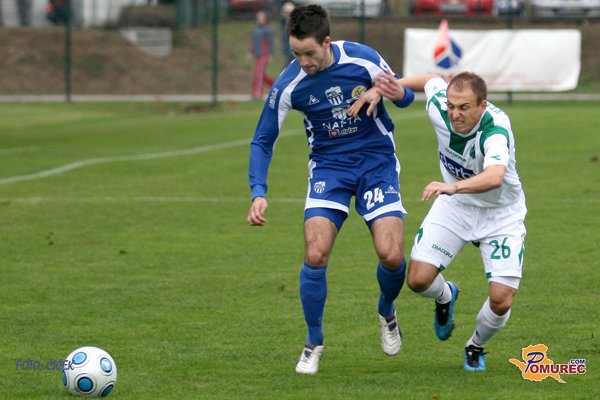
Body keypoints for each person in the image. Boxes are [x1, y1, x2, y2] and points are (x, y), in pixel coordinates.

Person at [247, 4, 415, 374]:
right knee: (315, 252)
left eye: (309, 53)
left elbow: (406, 98)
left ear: (326, 41)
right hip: (329, 168)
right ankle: (313, 342)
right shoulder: (289, 84)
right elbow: (262, 140)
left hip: (376, 163)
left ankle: (386, 310)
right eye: (296, 53)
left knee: (391, 255)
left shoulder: (362, 58)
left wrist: (386, 91)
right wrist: (258, 190)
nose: (303, 62)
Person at [356, 71, 526, 371]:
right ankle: (447, 296)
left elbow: (495, 176)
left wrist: (453, 186)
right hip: (456, 207)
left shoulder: (496, 129)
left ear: (482, 105)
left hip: (500, 214)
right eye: (451, 106)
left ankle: (475, 346)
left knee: (501, 299)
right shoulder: (439, 106)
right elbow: (431, 79)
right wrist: (384, 89)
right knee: (417, 281)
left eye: (464, 107)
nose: (455, 114)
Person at [249, 10, 275, 99]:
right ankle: (275, 85)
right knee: (260, 74)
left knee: (259, 74)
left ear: (265, 18)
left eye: (261, 17)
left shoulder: (268, 29)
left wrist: (270, 54)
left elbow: (270, 42)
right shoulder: (256, 28)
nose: (259, 18)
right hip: (258, 54)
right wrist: (250, 51)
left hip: (264, 54)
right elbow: (254, 42)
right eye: (258, 17)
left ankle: (258, 93)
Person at [280, 2, 295, 67]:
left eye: (289, 12)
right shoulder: (283, 22)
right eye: (286, 13)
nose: (287, 15)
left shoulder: (295, 23)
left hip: (293, 49)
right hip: (286, 48)